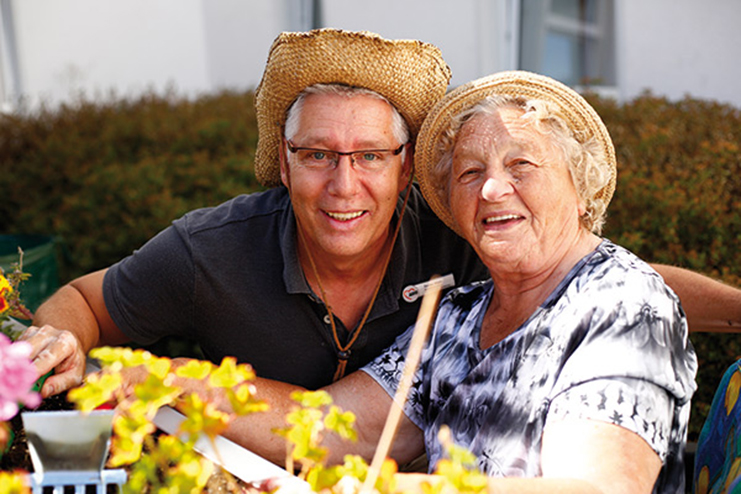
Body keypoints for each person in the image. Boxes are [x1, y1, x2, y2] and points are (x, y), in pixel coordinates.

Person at [17, 28, 739, 402]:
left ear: (405, 167)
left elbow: (609, 281)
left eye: (369, 156)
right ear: (283, 161)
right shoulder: (211, 250)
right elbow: (82, 300)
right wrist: (58, 342)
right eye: (317, 155)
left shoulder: (456, 235)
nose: (343, 184)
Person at [233, 71, 698, 494]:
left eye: (521, 166)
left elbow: (594, 489)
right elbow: (333, 428)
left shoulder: (624, 305)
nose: (492, 190)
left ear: (582, 190)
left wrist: (385, 491)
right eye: (471, 172)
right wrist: (187, 388)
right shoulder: (457, 315)